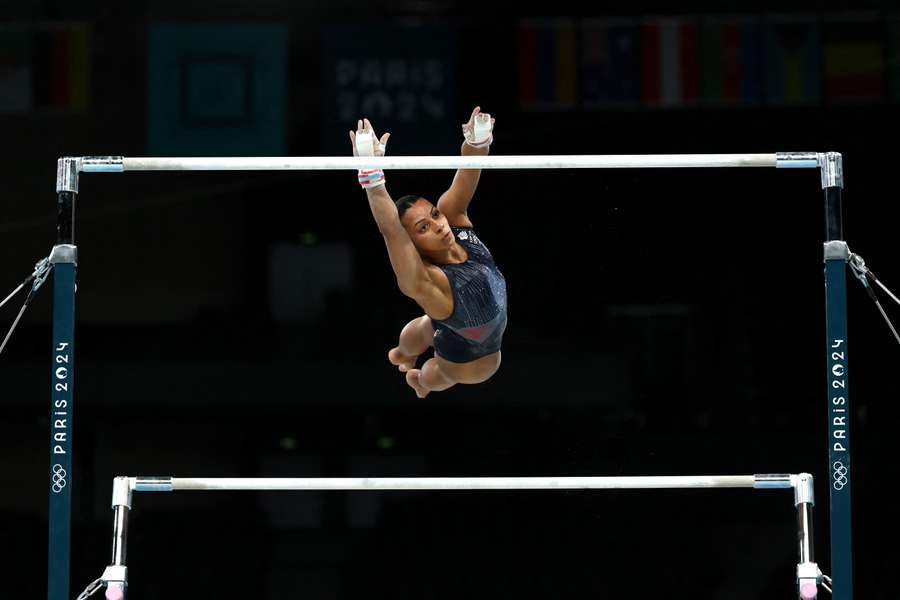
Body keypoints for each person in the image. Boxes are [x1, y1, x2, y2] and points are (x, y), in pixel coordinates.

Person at [350, 107, 507, 398]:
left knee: (425, 329)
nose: (438, 225)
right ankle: (417, 379)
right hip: (466, 365)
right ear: (414, 248)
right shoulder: (427, 281)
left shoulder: (455, 221)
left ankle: (401, 353)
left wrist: (477, 143)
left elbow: (467, 172)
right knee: (433, 375)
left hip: (446, 326)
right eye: (423, 228)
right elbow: (392, 231)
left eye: (434, 214)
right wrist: (371, 174)